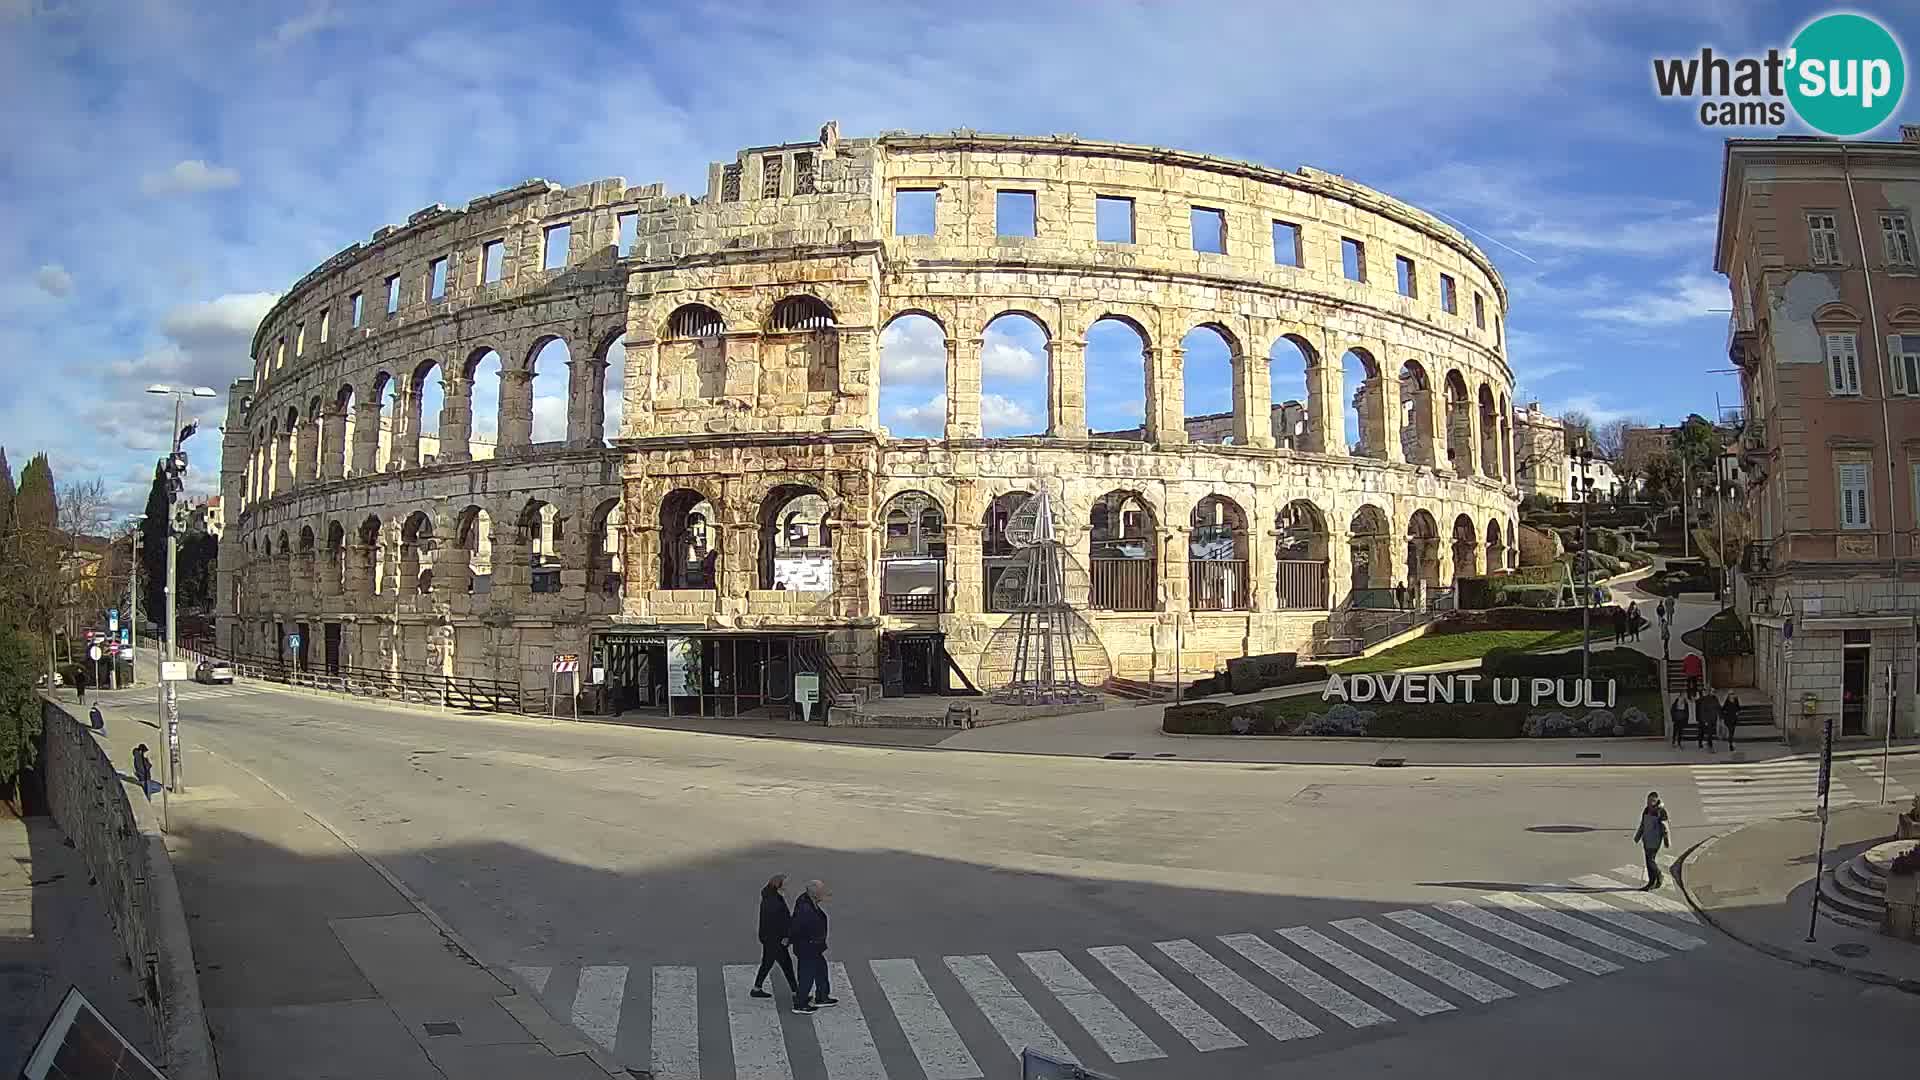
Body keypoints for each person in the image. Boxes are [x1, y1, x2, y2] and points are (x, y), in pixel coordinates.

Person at [789, 879, 836, 1012]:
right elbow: (796, 928)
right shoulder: (805, 909)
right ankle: (800, 1003)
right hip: (808, 948)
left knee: (821, 970)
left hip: (814, 947)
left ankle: (822, 996)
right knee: (806, 975)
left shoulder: (808, 901)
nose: (825, 894)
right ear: (814, 894)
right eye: (822, 892)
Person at [750, 874, 799, 1000]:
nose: (787, 887)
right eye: (785, 884)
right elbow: (779, 923)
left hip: (769, 939)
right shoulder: (774, 902)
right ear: (778, 886)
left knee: (767, 963)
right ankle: (796, 992)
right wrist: (786, 936)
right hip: (775, 940)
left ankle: (757, 988)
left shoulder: (771, 897)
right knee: (786, 965)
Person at [1633, 792, 1671, 889]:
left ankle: (1659, 876)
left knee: (1650, 861)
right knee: (1648, 861)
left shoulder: (1661, 812)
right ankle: (1653, 881)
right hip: (1646, 839)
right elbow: (1643, 824)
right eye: (1648, 800)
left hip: (1655, 840)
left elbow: (1665, 828)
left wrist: (1666, 840)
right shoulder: (1646, 810)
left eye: (1652, 801)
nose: (1649, 803)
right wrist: (1638, 836)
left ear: (1656, 801)